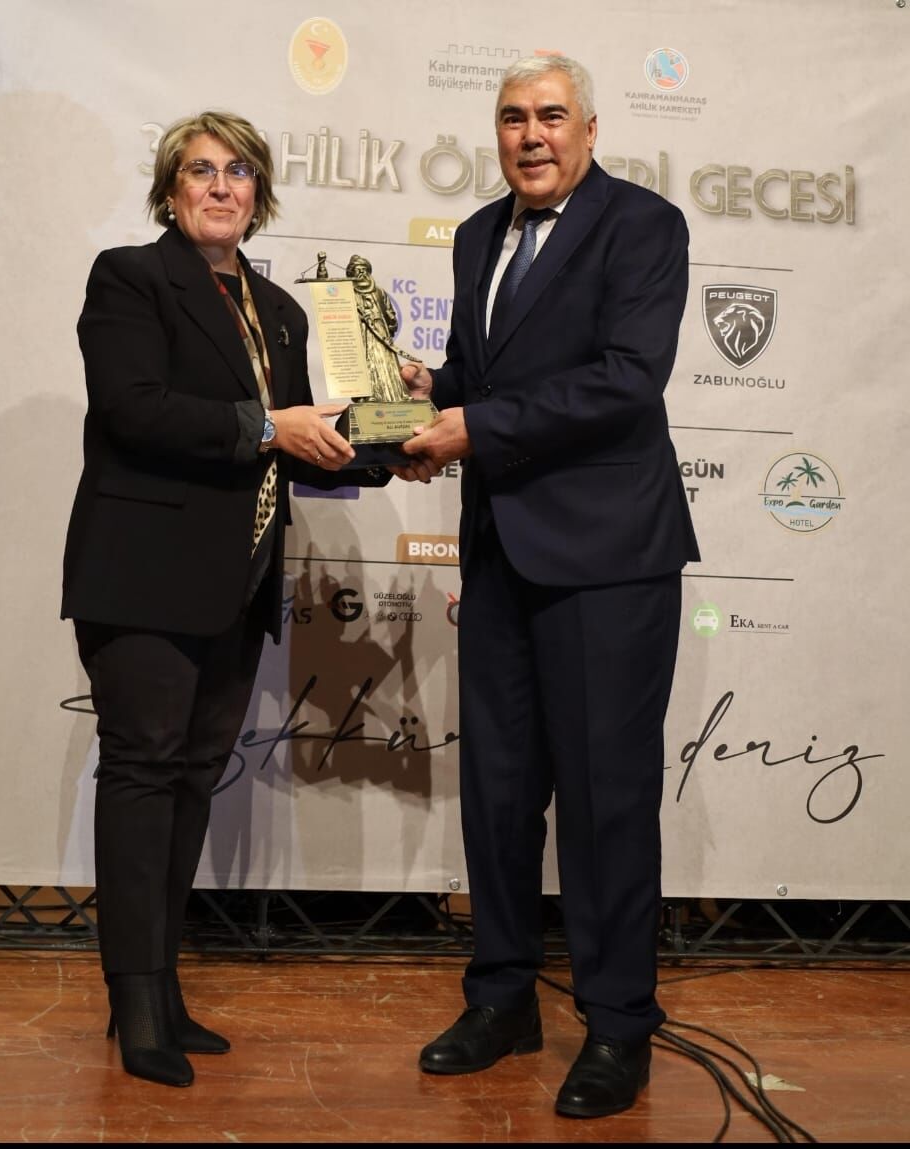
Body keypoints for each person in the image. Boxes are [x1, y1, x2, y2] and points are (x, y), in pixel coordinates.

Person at [394, 56, 698, 1118]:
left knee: (606, 799)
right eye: (513, 117)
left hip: (609, 559)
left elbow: (626, 379)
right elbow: (488, 379)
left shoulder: (644, 226)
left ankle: (618, 1025)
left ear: (590, 129)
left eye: (552, 116)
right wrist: (427, 394)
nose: (531, 135)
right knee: (499, 791)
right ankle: (502, 998)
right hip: (501, 551)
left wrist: (473, 426)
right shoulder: (479, 234)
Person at [60, 110, 387, 1088]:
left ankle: (161, 992)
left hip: (234, 586)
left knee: (192, 779)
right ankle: (135, 1002)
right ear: (170, 191)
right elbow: (136, 410)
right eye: (199, 170)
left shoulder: (278, 309)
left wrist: (391, 448)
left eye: (238, 171)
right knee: (144, 774)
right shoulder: (130, 278)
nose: (219, 186)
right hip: (141, 576)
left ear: (258, 193)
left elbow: (297, 441)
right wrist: (270, 427)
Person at [346, 254, 408, 403]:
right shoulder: (347, 294)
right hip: (363, 334)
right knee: (368, 364)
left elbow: (389, 312)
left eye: (364, 270)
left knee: (388, 364)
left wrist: (391, 322)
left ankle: (398, 394)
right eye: (358, 270)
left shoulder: (379, 292)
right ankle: (368, 394)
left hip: (380, 332)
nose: (362, 273)